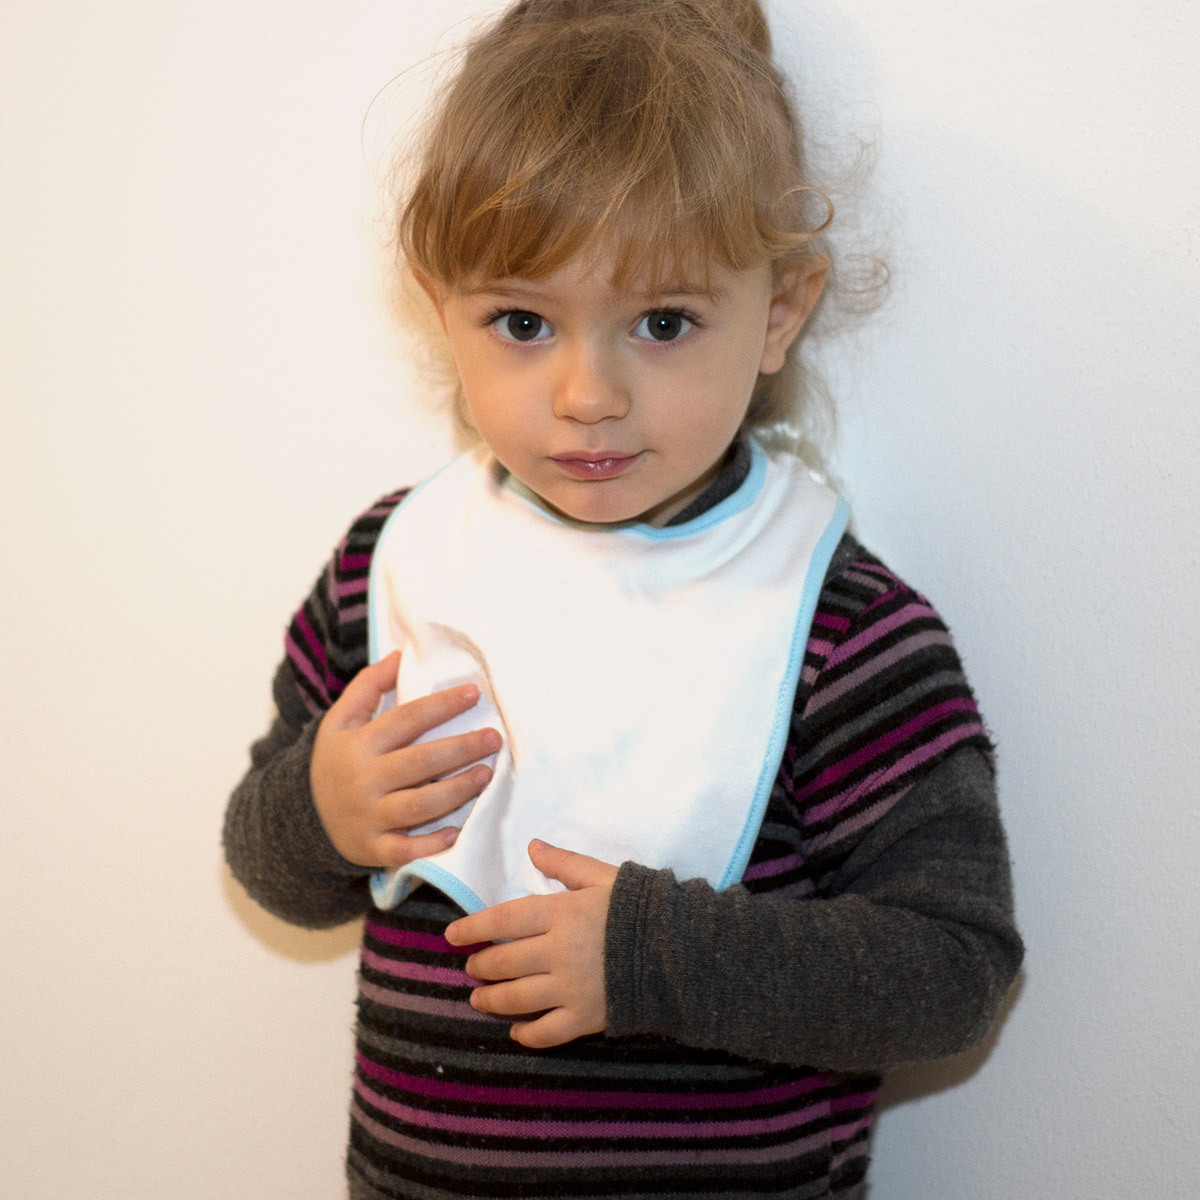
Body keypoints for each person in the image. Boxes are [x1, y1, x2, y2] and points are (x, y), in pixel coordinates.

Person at [223, 1, 1023, 1197]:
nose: (587, 393)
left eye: (662, 322)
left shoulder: (841, 631)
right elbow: (266, 858)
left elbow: (953, 972)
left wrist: (658, 960)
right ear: (442, 308)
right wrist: (323, 814)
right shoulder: (391, 566)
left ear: (781, 310)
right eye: (523, 321)